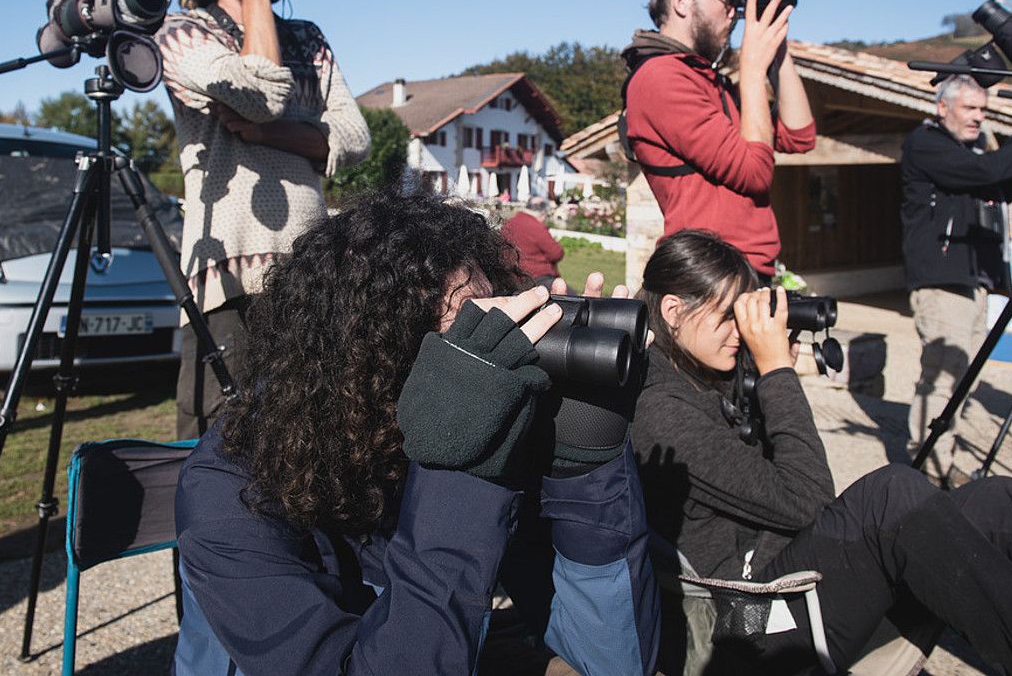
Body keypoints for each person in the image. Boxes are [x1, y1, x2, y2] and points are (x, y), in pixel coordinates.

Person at [630, 228, 1012, 676]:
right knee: (891, 492)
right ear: (674, 310)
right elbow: (807, 501)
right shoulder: (663, 408)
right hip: (744, 620)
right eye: (728, 317)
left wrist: (760, 372)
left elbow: (781, 489)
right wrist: (776, 372)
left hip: (782, 574)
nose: (739, 333)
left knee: (999, 502)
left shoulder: (701, 375)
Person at [172, 191, 660, 675]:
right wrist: (457, 468)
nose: (488, 357)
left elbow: (609, 663)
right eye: (463, 336)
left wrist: (583, 461)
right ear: (368, 365)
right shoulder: (228, 493)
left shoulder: (483, 419)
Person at [156, 0, 370, 439]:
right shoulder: (181, 34)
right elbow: (262, 91)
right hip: (227, 279)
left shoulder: (308, 38)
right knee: (218, 444)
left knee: (309, 438)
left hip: (307, 267)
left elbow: (356, 137)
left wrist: (272, 133)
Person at [622, 0, 816, 281]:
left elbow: (800, 136)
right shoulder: (660, 78)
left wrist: (778, 49)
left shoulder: (710, 81)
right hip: (709, 277)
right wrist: (752, 70)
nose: (734, 13)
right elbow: (754, 173)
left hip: (741, 270)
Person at [900, 74, 1012, 484]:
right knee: (944, 374)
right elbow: (984, 172)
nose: (978, 118)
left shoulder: (970, 154)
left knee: (965, 376)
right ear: (942, 107)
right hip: (942, 278)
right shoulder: (927, 143)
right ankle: (928, 469)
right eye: (970, 108)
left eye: (983, 110)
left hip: (972, 278)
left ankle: (941, 460)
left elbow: (998, 185)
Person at [501, 196, 564, 289]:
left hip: (511, 276)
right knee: (572, 297)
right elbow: (556, 253)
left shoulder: (510, 223)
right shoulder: (535, 226)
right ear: (544, 212)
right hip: (536, 277)